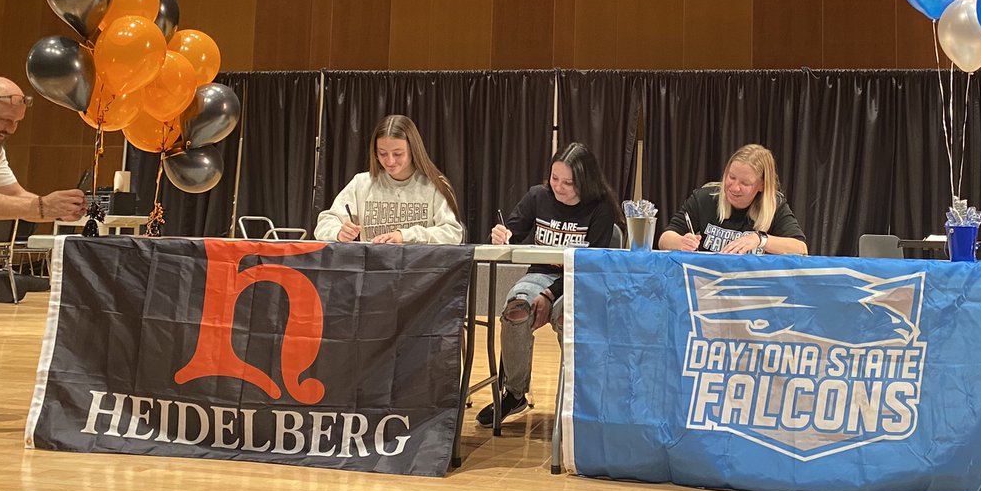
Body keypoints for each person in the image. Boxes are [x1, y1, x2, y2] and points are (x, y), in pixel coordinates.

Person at [479, 142, 623, 427]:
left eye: (568, 182)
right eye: (555, 178)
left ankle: (577, 397)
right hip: (540, 275)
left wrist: (550, 294)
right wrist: (502, 234)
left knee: (565, 315)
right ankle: (514, 392)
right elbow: (513, 232)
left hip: (580, 279)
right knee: (516, 308)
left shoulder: (601, 208)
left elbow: (589, 265)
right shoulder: (538, 196)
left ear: (586, 181)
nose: (559, 187)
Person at [313, 114, 464, 244]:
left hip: (420, 274)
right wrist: (339, 232)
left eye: (398, 154)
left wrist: (404, 235)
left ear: (414, 150)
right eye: (382, 153)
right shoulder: (361, 183)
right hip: (373, 273)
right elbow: (324, 224)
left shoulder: (434, 186)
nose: (390, 161)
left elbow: (453, 233)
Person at [658, 144, 808, 255]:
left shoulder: (775, 205)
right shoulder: (704, 198)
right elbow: (665, 239)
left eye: (745, 183)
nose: (734, 187)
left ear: (762, 185)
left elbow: (801, 249)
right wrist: (681, 242)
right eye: (731, 177)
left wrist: (761, 239)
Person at [0, 76, 86, 222]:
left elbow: (14, 196)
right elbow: (30, 205)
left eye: (17, 122)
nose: (11, 130)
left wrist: (58, 210)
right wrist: (42, 207)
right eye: (5, 120)